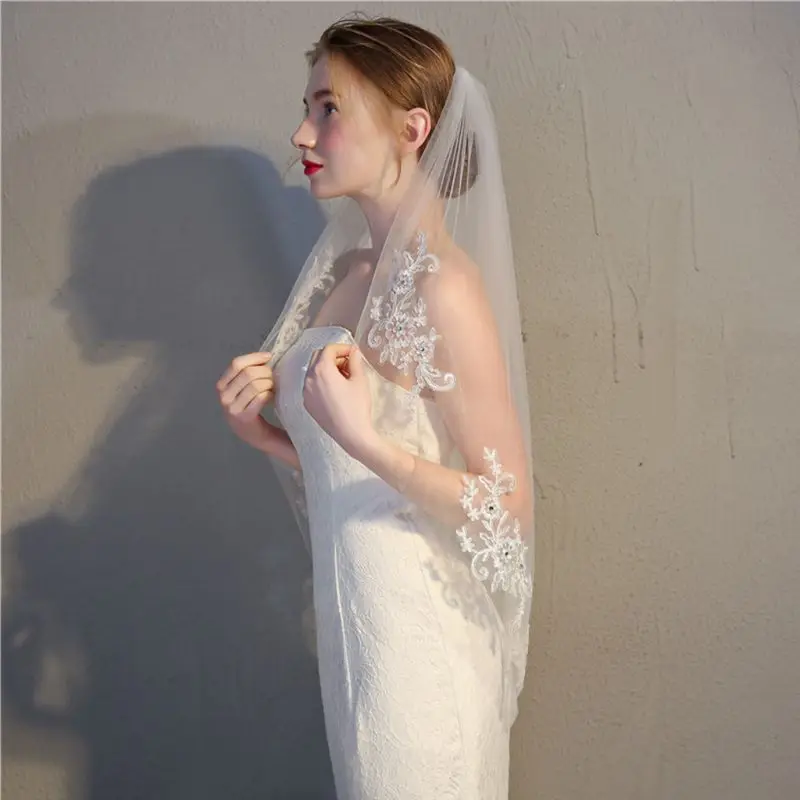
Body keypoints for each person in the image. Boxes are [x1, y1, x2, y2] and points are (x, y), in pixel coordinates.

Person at [217, 16, 534, 799]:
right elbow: (352, 479)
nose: (302, 133)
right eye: (307, 107)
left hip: (420, 650)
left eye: (329, 108)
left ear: (412, 130)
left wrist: (366, 440)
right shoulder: (352, 275)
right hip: (356, 641)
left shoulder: (445, 290)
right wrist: (262, 437)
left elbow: (506, 506)